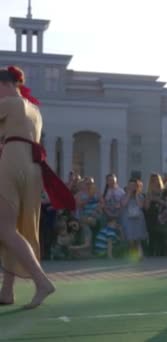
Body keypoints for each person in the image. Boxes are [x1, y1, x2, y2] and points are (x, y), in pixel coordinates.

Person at [0, 66, 74, 309]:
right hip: (33, 168)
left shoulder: (9, 103)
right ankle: (7, 291)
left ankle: (41, 281)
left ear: (5, 84)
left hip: (12, 160)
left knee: (6, 229)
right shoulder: (35, 110)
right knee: (18, 228)